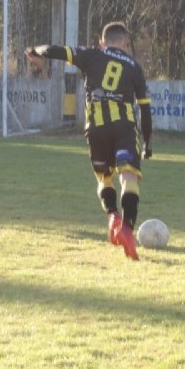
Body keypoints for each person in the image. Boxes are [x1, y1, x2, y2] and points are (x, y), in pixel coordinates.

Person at [25, 22, 152, 260]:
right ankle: (127, 229)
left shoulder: (91, 54)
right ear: (126, 44)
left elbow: (56, 50)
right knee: (129, 178)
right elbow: (145, 110)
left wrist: (35, 51)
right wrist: (149, 142)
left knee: (105, 180)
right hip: (124, 128)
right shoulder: (134, 66)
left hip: (96, 130)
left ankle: (113, 216)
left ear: (102, 42)